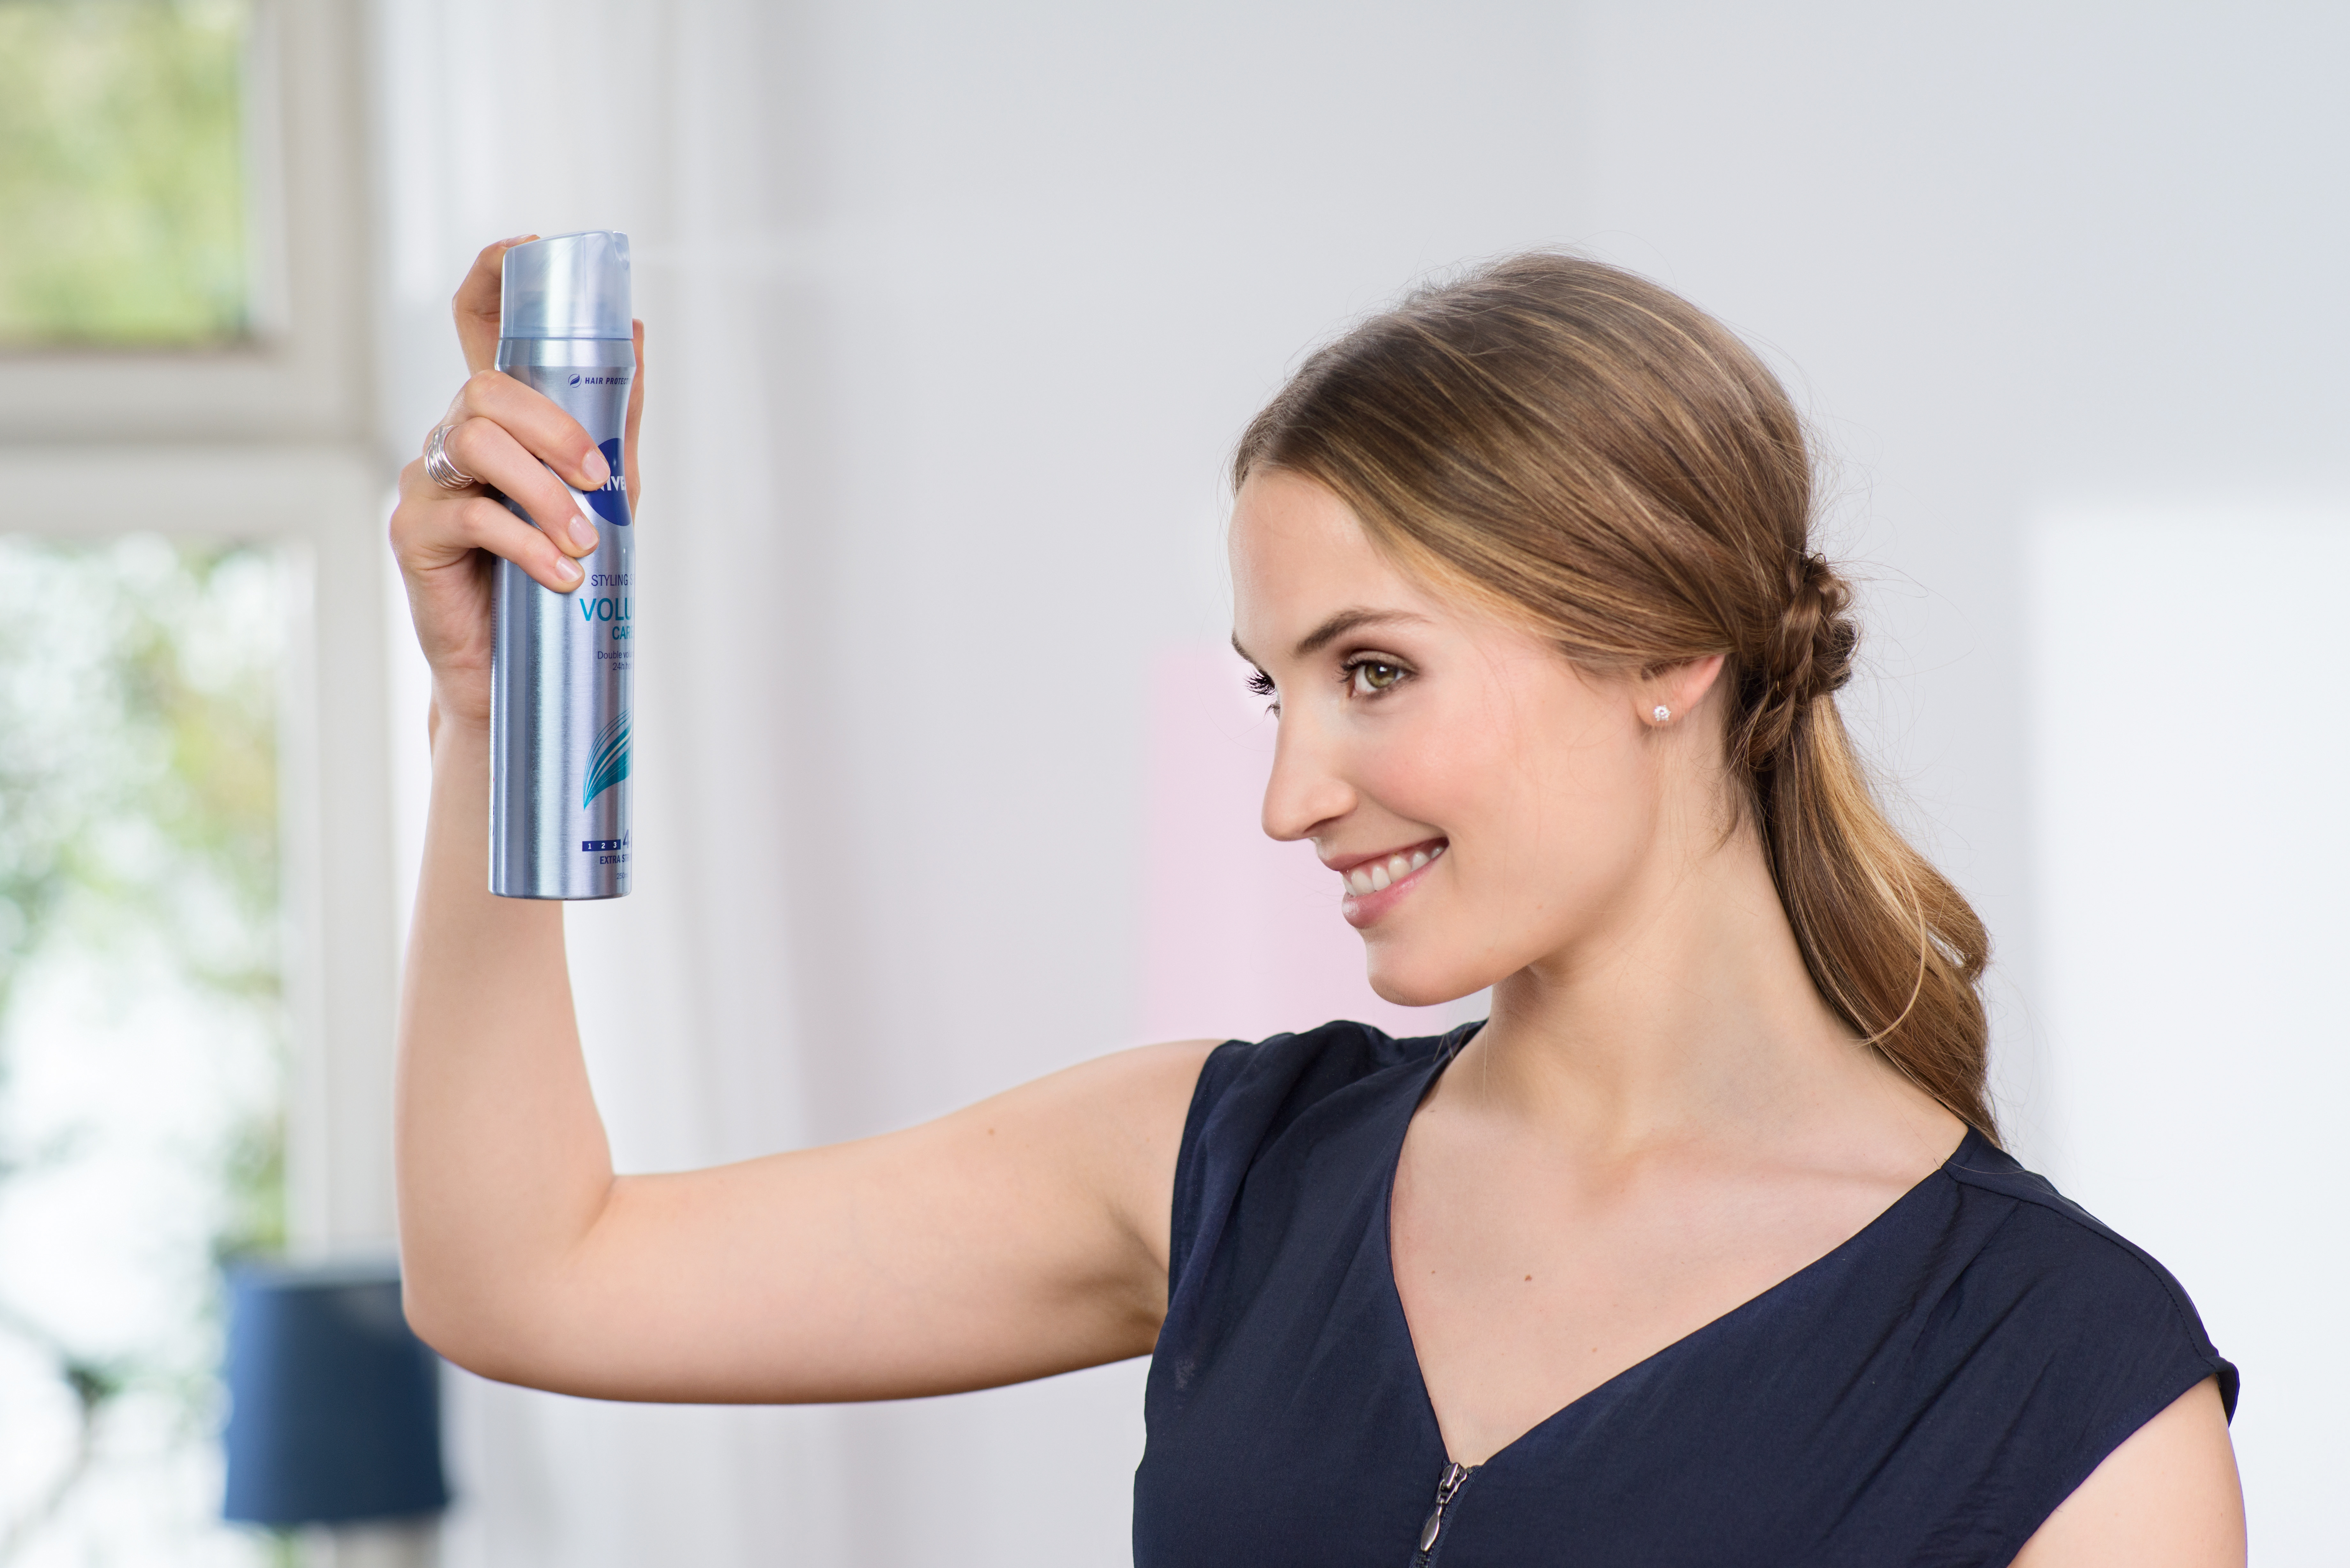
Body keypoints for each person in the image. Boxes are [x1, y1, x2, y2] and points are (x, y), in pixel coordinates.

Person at [390, 241, 2244, 1566]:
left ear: (1669, 646)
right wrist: (490, 714)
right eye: (1273, 691)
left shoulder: (2065, 1386)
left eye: (1374, 671)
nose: (1289, 798)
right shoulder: (1226, 1167)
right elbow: (526, 1274)